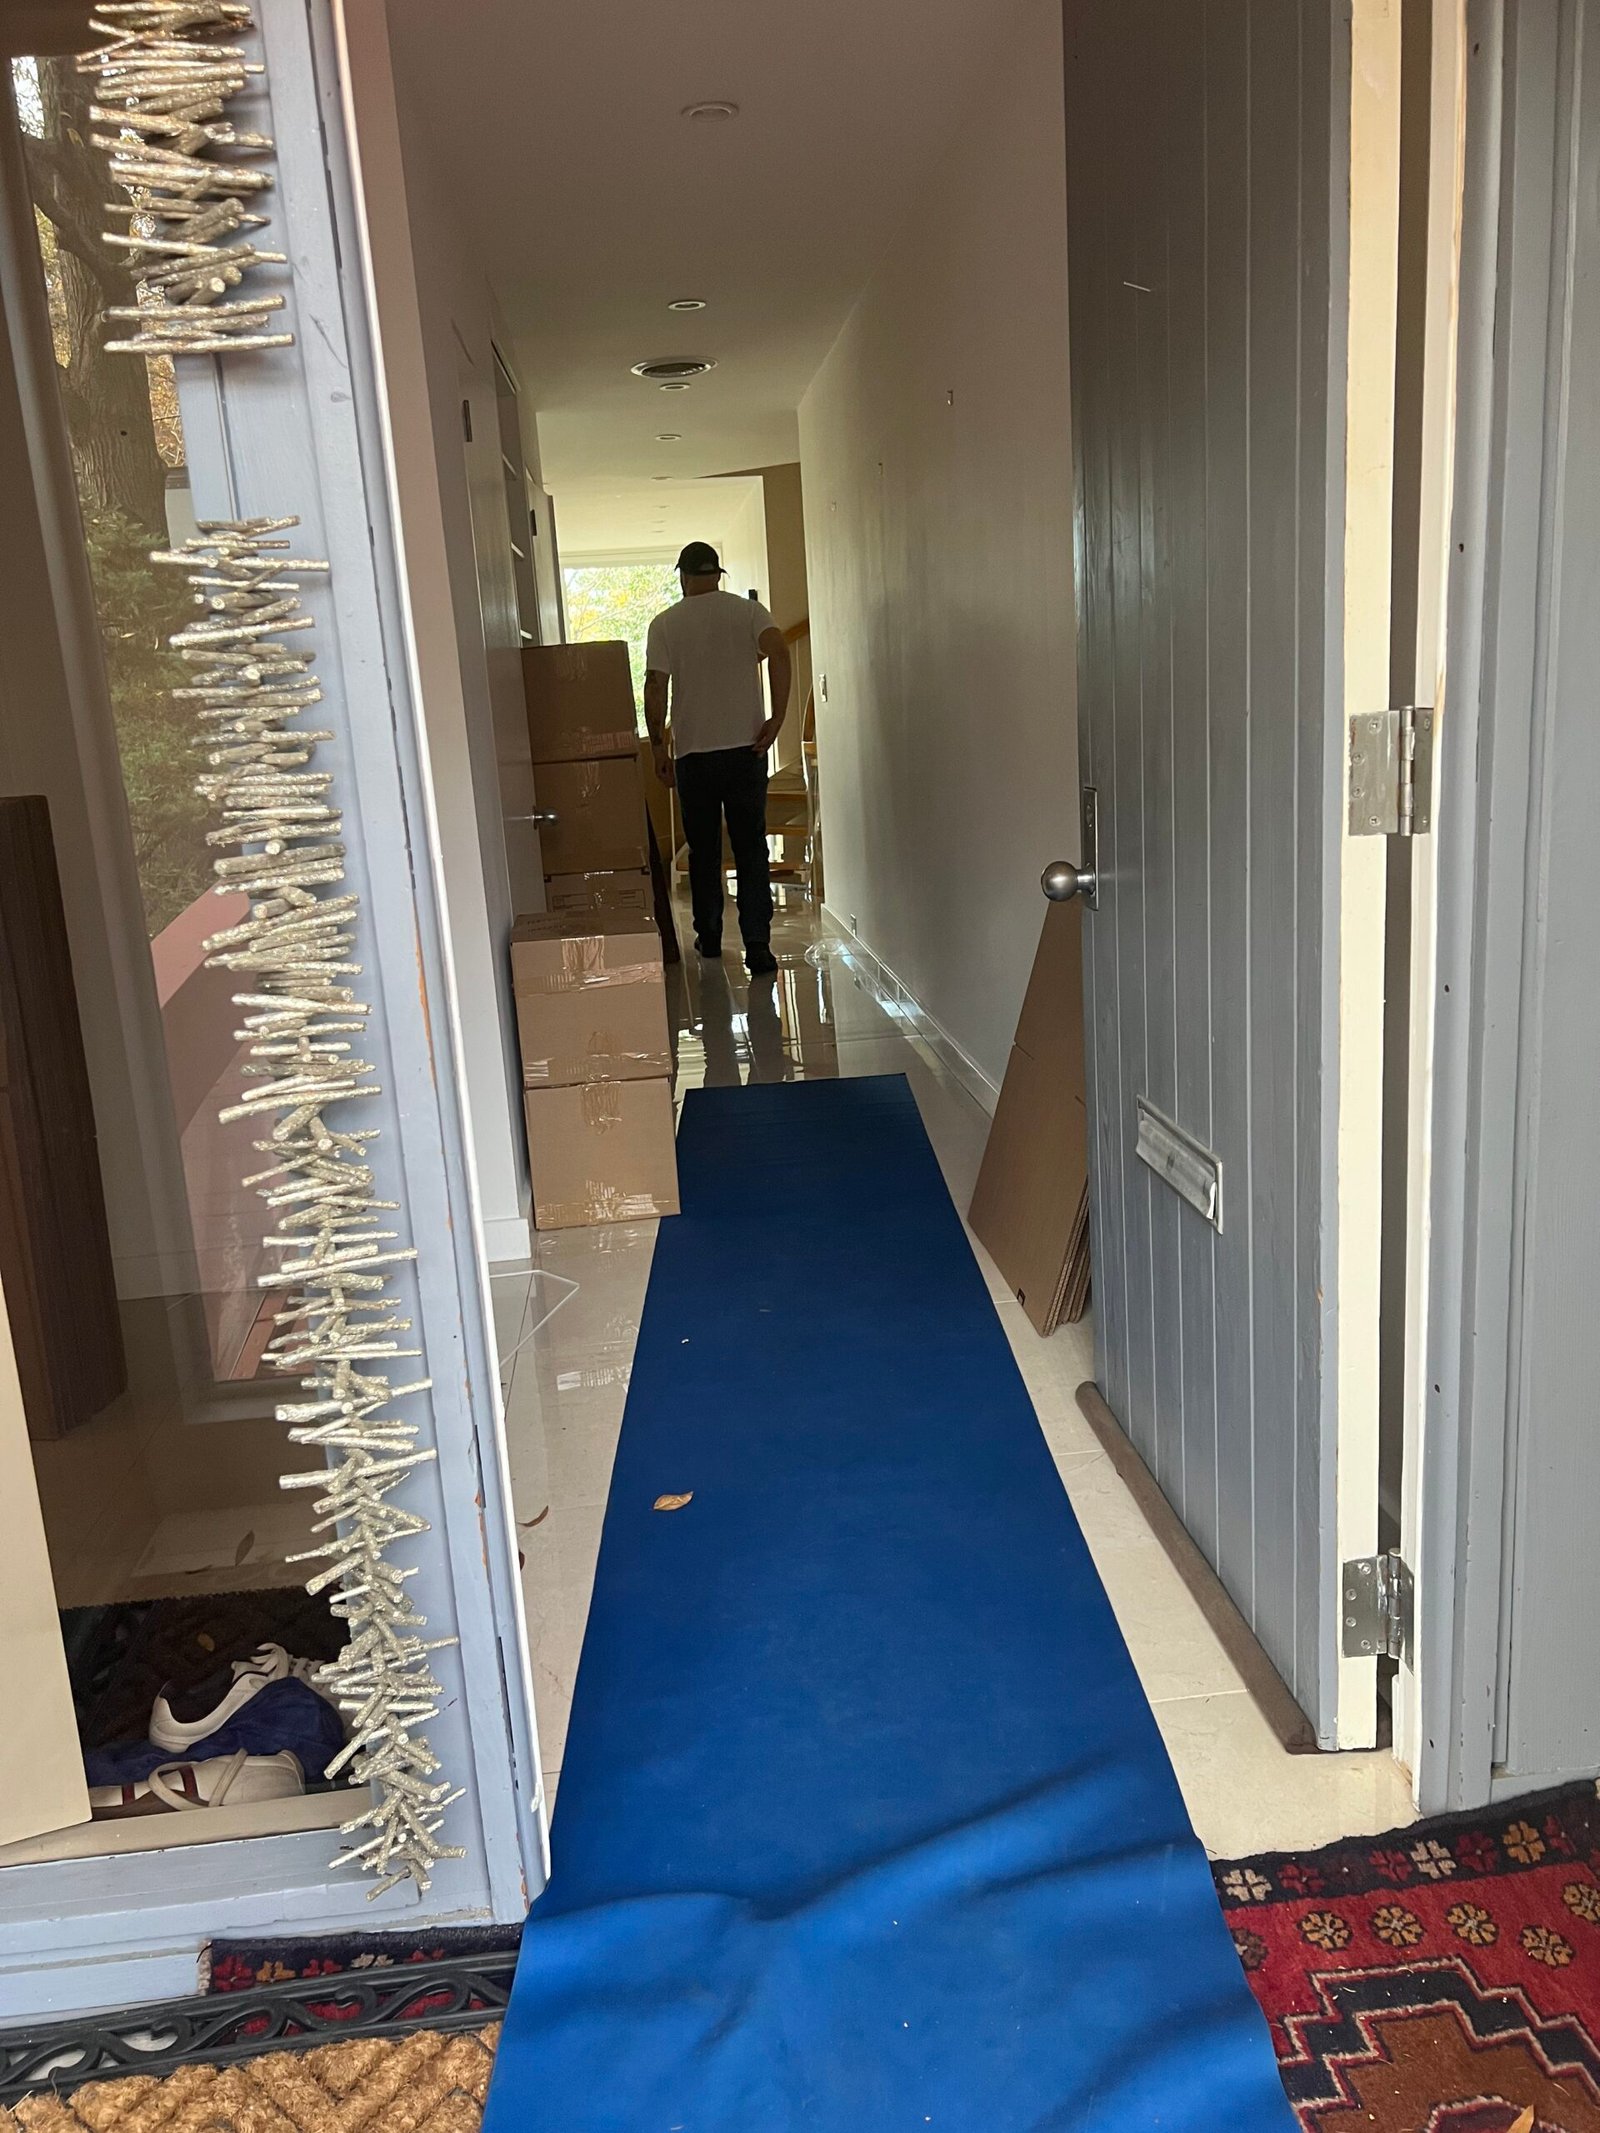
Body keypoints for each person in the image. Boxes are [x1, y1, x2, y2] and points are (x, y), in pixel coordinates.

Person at [643, 540, 791, 978]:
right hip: (747, 750)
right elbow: (780, 650)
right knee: (750, 849)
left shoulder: (665, 623)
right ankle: (758, 947)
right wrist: (777, 717)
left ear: (684, 577)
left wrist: (658, 747)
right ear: (717, 575)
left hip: (694, 755)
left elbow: (655, 686)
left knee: (704, 850)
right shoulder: (748, 613)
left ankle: (709, 937)